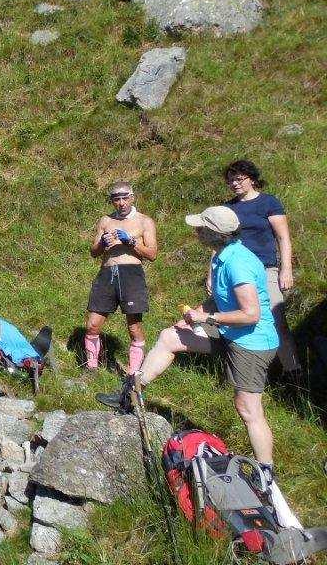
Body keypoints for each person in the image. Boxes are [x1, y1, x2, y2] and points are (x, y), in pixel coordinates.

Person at [98, 206, 279, 470]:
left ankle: (266, 471)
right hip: (230, 331)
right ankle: (131, 395)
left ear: (214, 233)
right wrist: (196, 314)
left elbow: (251, 314)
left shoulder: (238, 263)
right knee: (170, 337)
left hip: (251, 342)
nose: (195, 231)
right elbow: (219, 298)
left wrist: (206, 319)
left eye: (200, 227)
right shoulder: (222, 254)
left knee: (247, 408)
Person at [220, 159, 300, 377]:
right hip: (236, 272)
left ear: (252, 179)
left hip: (266, 269)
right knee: (237, 318)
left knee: (276, 318)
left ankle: (293, 371)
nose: (234, 184)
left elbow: (283, 238)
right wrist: (212, 273)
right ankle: (242, 370)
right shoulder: (228, 208)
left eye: (238, 179)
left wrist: (286, 270)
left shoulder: (268, 203)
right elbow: (219, 241)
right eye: (230, 181)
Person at [83, 182, 158, 374]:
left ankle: (133, 374)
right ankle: (91, 368)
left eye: (125, 198)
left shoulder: (144, 221)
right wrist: (102, 243)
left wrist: (130, 241)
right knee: (92, 325)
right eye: (117, 199)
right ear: (112, 201)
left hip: (131, 274)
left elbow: (152, 254)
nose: (121, 203)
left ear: (132, 197)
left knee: (134, 327)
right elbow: (93, 252)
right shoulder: (105, 221)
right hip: (107, 273)